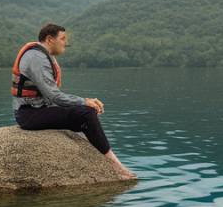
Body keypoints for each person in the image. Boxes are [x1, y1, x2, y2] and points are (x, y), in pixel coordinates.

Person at [12, 23, 136, 179]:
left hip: (39, 110)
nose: (66, 43)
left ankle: (98, 159)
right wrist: (84, 101)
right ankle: (117, 167)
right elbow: (54, 96)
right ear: (50, 39)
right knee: (85, 112)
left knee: (86, 116)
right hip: (29, 114)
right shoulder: (36, 57)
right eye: (63, 38)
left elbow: (52, 98)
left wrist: (84, 105)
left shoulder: (43, 55)